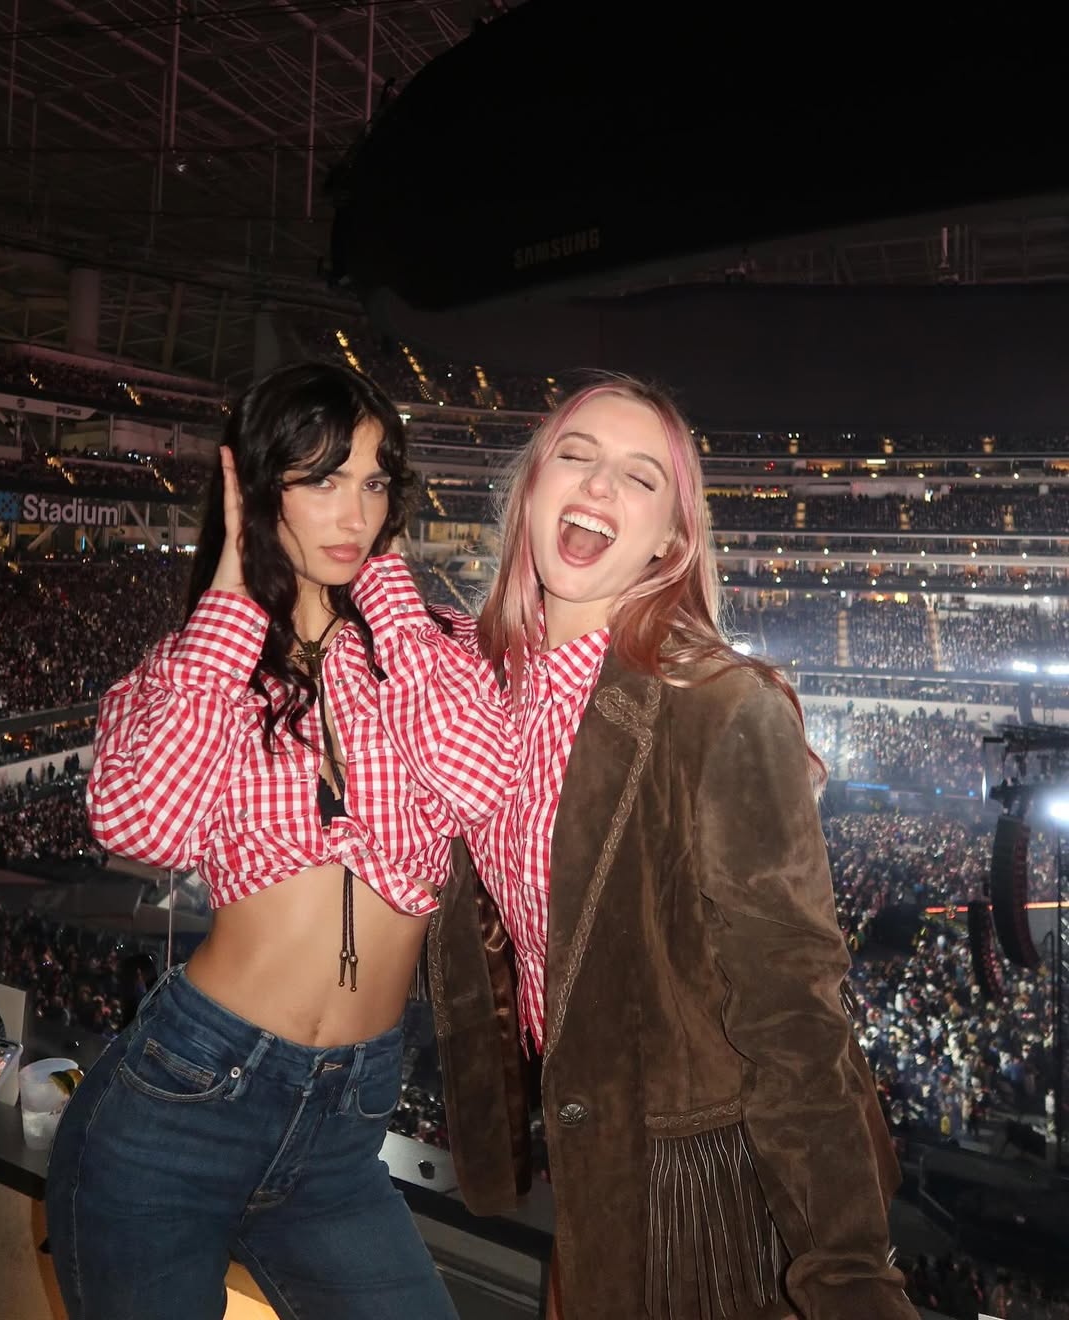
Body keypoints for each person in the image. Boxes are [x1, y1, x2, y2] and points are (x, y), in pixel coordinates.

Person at [365, 375, 920, 1319]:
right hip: (593, 1171)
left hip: (712, 1189)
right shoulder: (481, 690)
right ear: (532, 490)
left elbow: (794, 1012)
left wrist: (848, 1274)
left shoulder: (722, 709)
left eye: (639, 476)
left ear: (670, 539)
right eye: (575, 457)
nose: (597, 484)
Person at [45, 361, 517, 1320]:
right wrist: (229, 602)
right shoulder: (196, 669)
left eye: (374, 483)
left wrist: (390, 599)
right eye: (323, 480)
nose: (356, 512)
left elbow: (483, 786)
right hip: (180, 1102)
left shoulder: (435, 647)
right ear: (261, 490)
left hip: (346, 1123)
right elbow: (141, 827)